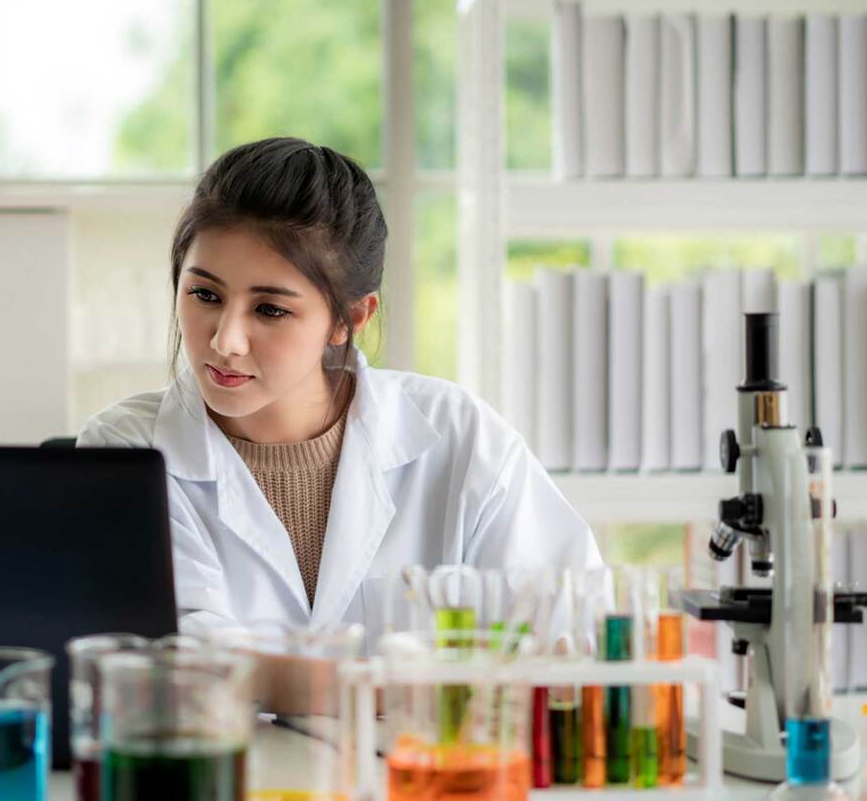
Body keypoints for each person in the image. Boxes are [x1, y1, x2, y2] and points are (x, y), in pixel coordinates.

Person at [77, 136, 601, 654]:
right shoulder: (122, 451)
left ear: (349, 318)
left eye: (270, 309)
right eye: (205, 295)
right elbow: (165, 660)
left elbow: (571, 626)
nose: (224, 340)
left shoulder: (460, 436)